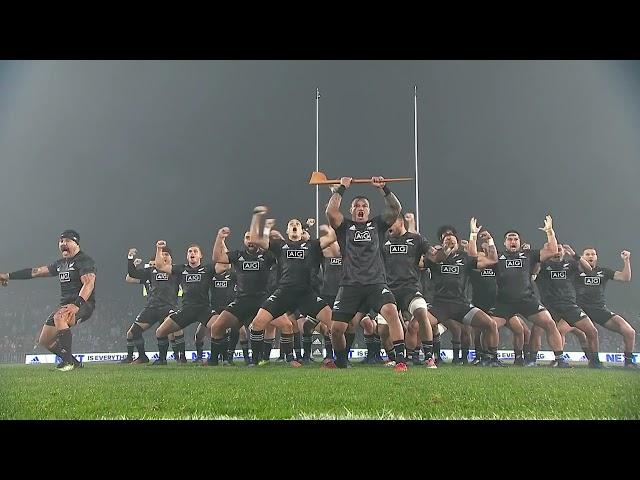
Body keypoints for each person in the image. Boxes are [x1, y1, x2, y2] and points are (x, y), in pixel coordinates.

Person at [325, 176, 408, 371]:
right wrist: (342, 188)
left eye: (364, 205)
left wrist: (384, 189)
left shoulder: (377, 225)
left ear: (368, 211)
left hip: (375, 283)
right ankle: (341, 361)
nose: (360, 208)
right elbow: (330, 211)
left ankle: (401, 361)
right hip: (350, 285)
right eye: (356, 205)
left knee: (391, 312)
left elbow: (396, 209)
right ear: (351, 210)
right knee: (337, 330)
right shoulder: (344, 227)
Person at [247, 209, 337, 366]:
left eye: (297, 224)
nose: (294, 225)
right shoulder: (280, 245)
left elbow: (334, 236)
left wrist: (330, 213)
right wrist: (257, 216)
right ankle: (255, 360)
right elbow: (254, 238)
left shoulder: (313, 245)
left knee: (335, 324)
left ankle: (339, 359)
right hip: (284, 292)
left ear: (302, 230)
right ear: (287, 231)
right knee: (257, 323)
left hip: (306, 294)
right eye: (291, 224)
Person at [0, 229, 96, 371]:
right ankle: (75, 362)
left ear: (76, 243)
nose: (63, 243)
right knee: (45, 340)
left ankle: (68, 363)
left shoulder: (84, 260)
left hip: (83, 303)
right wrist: (7, 276)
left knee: (59, 317)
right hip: (65, 305)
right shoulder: (60, 264)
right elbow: (35, 272)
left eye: (67, 241)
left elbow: (89, 283)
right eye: (61, 241)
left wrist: (77, 305)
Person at [490, 216, 570, 367]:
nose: (512, 241)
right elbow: (477, 259)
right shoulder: (497, 257)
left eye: (515, 239)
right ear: (505, 243)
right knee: (489, 325)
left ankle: (560, 359)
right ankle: (491, 358)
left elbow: (553, 250)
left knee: (549, 324)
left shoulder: (529, 255)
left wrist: (549, 231)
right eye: (509, 239)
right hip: (504, 301)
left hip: (527, 299)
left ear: (520, 242)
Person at [425, 219, 501, 366]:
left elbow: (492, 260)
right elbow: (419, 264)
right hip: (440, 305)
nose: (449, 242)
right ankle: (420, 356)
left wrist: (490, 241)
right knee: (418, 324)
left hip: (461, 305)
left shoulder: (464, 258)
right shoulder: (435, 258)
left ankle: (492, 358)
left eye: (452, 240)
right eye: (446, 240)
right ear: (441, 243)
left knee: (490, 324)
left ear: (458, 243)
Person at [207, 228, 277, 366]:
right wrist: (220, 238)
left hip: (262, 300)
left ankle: (261, 359)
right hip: (241, 301)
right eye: (247, 237)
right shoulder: (237, 255)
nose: (250, 241)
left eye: (253, 238)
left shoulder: (267, 256)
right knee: (216, 327)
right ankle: (214, 361)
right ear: (244, 240)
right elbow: (216, 258)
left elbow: (282, 257)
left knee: (285, 324)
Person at [533, 243, 603, 368]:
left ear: (564, 252)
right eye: (554, 249)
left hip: (569, 305)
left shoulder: (571, 264)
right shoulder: (542, 265)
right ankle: (532, 360)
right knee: (536, 330)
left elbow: (589, 270)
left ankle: (595, 361)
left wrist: (575, 255)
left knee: (592, 331)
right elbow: (533, 274)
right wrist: (541, 256)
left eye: (559, 249)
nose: (557, 252)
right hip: (549, 305)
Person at [382, 213, 438, 367]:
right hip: (389, 289)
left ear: (400, 222)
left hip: (410, 288)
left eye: (391, 222)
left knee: (421, 311)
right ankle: (394, 357)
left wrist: (438, 253)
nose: (388, 226)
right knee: (382, 330)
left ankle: (428, 356)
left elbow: (433, 255)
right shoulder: (383, 240)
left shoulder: (416, 239)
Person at [152, 241, 215, 365]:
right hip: (187, 309)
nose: (192, 253)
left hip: (204, 309)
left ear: (200, 256)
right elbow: (160, 266)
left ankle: (216, 359)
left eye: (195, 251)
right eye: (190, 251)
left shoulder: (207, 269)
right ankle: (162, 360)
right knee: (160, 332)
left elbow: (225, 266)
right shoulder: (181, 269)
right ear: (187, 256)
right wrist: (159, 249)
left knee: (219, 328)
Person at [575, 247, 637, 368]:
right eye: (587, 254)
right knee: (562, 329)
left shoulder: (603, 272)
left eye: (593, 254)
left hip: (599, 310)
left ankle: (628, 362)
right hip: (578, 310)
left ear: (596, 257)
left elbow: (625, 277)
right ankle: (561, 360)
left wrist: (626, 260)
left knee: (629, 331)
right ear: (582, 257)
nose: (590, 256)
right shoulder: (574, 271)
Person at [121, 246, 181, 364]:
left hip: (168, 307)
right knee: (134, 332)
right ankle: (142, 357)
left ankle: (173, 358)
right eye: (161, 254)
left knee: (168, 331)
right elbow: (132, 274)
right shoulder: (150, 272)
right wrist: (130, 259)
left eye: (166, 255)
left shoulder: (175, 271)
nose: (163, 257)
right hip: (151, 307)